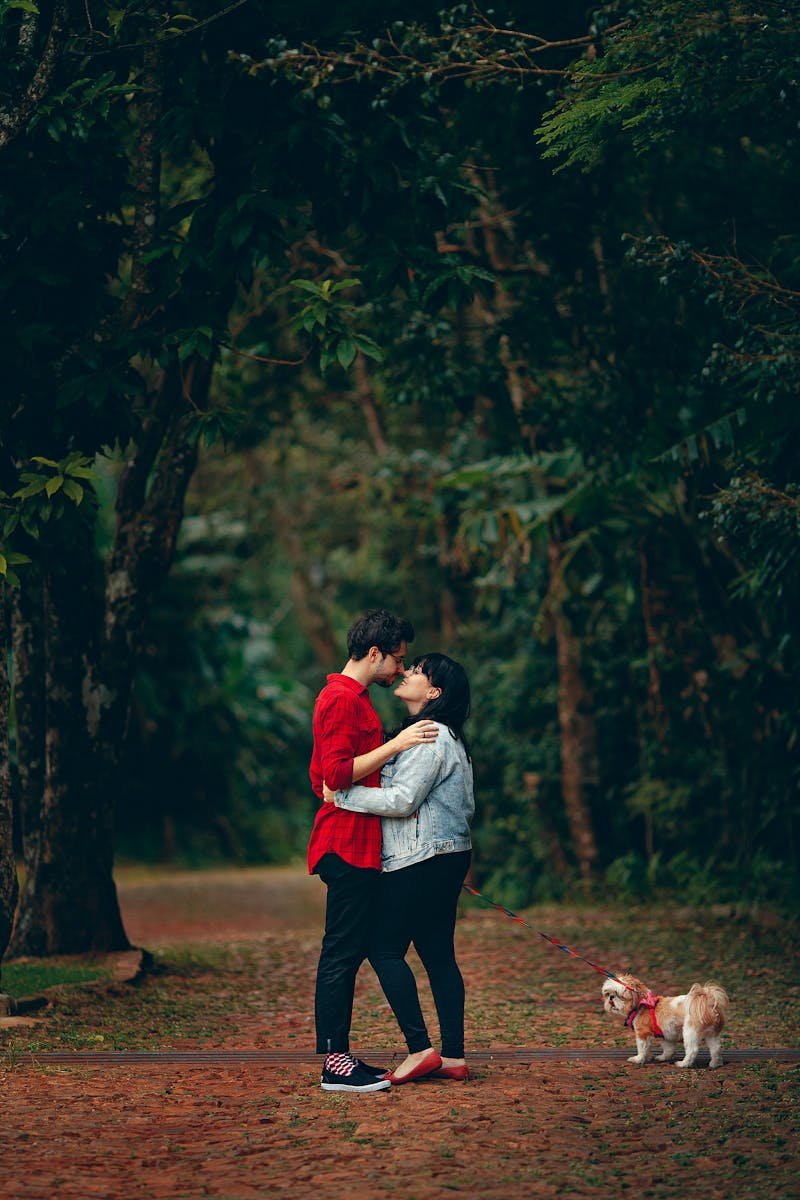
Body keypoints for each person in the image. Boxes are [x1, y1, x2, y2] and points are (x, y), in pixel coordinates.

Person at [325, 653, 474, 1085]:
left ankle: (420, 1049)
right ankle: (454, 1057)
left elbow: (401, 800)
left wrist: (341, 797)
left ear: (434, 693)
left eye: (417, 670)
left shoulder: (429, 735)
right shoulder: (444, 736)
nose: (406, 672)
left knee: (382, 947)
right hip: (444, 856)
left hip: (421, 859)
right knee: (437, 954)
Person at [309, 609, 440, 1094]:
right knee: (341, 952)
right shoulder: (341, 700)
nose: (399, 671)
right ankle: (334, 1063)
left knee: (352, 949)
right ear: (373, 654)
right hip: (345, 844)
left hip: (358, 845)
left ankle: (342, 1057)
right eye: (397, 660)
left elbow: (320, 775)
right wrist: (399, 743)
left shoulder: (351, 698)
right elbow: (336, 776)